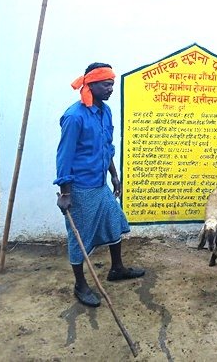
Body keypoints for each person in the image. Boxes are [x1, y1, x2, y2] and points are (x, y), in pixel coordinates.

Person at [54, 62, 144, 307]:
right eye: (106, 84)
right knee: (79, 237)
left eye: (112, 84)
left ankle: (117, 268)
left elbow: (106, 146)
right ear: (91, 84)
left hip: (100, 183)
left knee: (114, 220)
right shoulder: (74, 117)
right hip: (80, 188)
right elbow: (64, 156)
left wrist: (114, 175)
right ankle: (80, 284)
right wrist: (65, 192)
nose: (111, 89)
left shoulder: (105, 111)